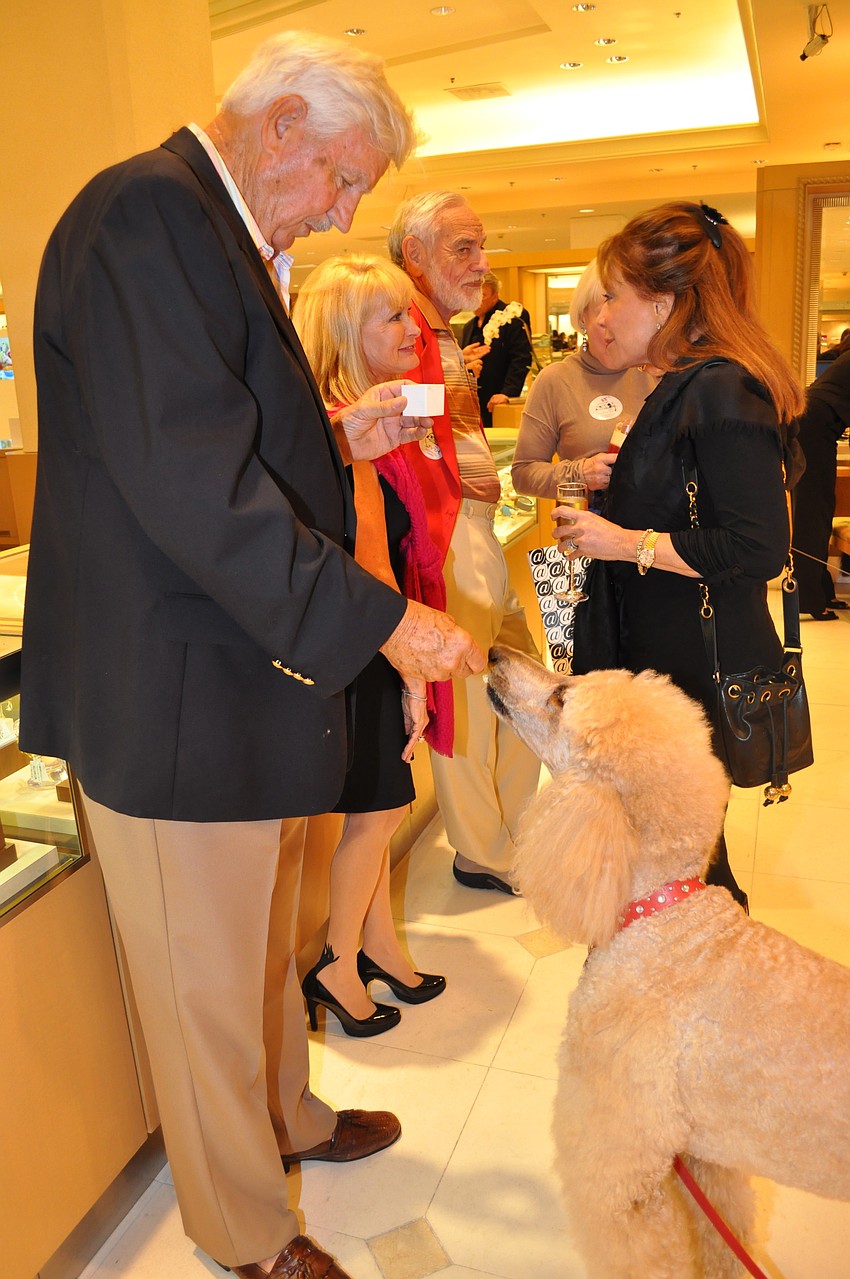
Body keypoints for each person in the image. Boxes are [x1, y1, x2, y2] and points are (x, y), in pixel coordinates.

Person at [21, 32, 484, 1279]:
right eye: (343, 177)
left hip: (235, 677)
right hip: (177, 693)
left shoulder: (203, 227)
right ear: (281, 125)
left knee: (263, 942)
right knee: (206, 988)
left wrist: (336, 437)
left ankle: (288, 1114)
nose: (343, 212)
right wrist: (385, 619)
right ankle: (243, 1227)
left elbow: (212, 438)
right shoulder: (145, 214)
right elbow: (193, 486)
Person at [553, 201, 805, 911]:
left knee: (690, 865)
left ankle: (710, 967)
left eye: (613, 295)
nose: (603, 313)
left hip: (691, 661)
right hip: (670, 653)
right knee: (680, 858)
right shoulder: (690, 384)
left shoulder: (721, 386)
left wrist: (619, 541)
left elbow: (756, 545)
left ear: (663, 302)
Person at [292, 255, 450, 1035]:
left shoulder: (343, 426)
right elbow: (373, 562)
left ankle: (377, 947)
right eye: (391, 315)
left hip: (362, 640)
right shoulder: (341, 431)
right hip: (364, 648)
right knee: (379, 812)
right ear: (344, 332)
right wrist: (414, 670)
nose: (410, 329)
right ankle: (337, 962)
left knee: (379, 810)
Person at [388, 190, 541, 895]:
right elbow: (385, 417)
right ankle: (484, 850)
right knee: (470, 699)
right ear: (415, 253)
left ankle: (515, 836)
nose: (482, 263)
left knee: (515, 679)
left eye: (482, 246)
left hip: (473, 524)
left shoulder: (440, 330)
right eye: (464, 248)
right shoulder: (401, 323)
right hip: (446, 531)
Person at [512, 259, 656, 501]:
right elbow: (523, 474)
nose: (611, 327)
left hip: (657, 522)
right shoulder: (556, 380)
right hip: (587, 520)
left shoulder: (655, 372)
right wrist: (580, 473)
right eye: (602, 313)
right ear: (582, 319)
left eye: (622, 315)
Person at [792, 347, 850, 618]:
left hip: (811, 423)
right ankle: (811, 601)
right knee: (813, 513)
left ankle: (822, 592)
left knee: (819, 511)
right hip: (813, 426)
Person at [460, 271, 533, 427]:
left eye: (483, 295)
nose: (476, 300)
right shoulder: (468, 327)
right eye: (473, 293)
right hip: (472, 403)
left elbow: (521, 358)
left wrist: (507, 393)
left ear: (495, 295)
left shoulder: (512, 316)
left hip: (498, 399)